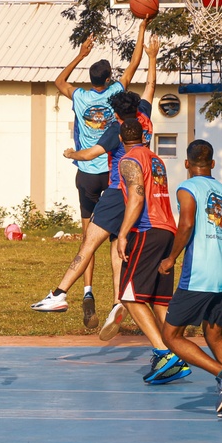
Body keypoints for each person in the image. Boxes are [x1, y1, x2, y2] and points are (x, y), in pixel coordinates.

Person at [31, 37, 158, 342]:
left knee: (88, 244)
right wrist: (152, 56)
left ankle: (60, 294)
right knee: (119, 246)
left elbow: (91, 154)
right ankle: (117, 300)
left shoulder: (117, 129)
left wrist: (71, 154)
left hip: (114, 190)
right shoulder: (146, 118)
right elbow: (150, 85)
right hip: (138, 194)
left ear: (116, 112)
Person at [54, 22, 147, 328]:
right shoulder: (117, 92)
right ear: (108, 79)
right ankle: (118, 298)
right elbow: (134, 64)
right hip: (110, 174)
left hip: (85, 174)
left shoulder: (79, 96)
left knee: (88, 238)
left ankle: (87, 291)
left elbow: (59, 81)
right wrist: (142, 26)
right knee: (113, 240)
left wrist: (80, 54)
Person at [159, 139, 222, 419]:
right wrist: (219, 250)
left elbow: (187, 224)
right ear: (212, 164)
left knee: (171, 335)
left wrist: (171, 258)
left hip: (200, 274)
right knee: (214, 335)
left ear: (187, 164)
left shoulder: (187, 188)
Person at [115, 118, 191, 385]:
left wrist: (122, 234)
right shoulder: (156, 158)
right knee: (159, 300)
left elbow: (136, 197)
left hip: (148, 230)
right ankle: (176, 353)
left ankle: (163, 352)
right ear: (144, 136)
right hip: (168, 230)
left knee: (129, 295)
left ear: (121, 139)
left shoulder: (128, 160)